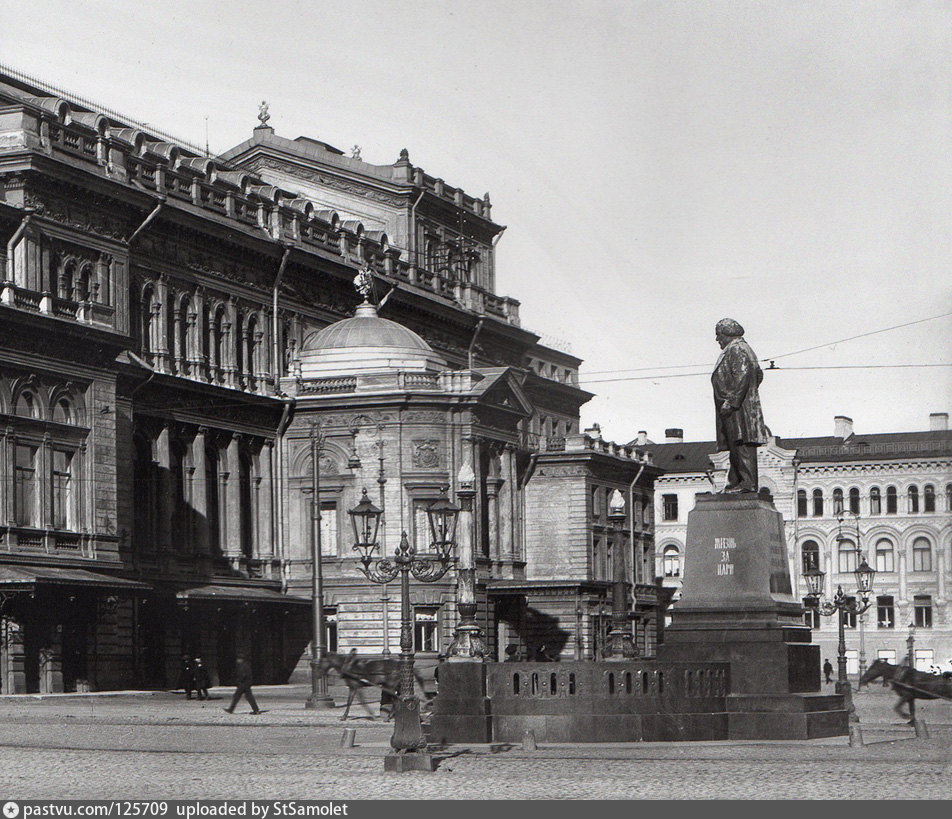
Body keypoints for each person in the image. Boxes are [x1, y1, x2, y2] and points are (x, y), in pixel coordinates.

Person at [711, 318, 768, 493]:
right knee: (735, 445)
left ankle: (747, 484)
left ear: (727, 334)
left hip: (737, 409)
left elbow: (743, 375)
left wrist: (733, 401)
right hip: (738, 406)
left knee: (741, 444)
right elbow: (758, 375)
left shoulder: (737, 349)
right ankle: (735, 482)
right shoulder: (739, 349)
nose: (717, 339)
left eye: (718, 335)